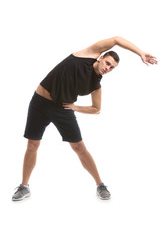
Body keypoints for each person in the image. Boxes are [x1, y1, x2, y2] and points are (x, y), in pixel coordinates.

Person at [12, 36, 157, 201]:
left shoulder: (96, 85)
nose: (108, 68)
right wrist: (141, 53)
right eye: (107, 63)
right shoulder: (88, 54)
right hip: (39, 103)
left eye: (112, 68)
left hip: (63, 109)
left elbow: (97, 109)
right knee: (32, 145)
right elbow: (116, 39)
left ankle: (100, 184)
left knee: (79, 148)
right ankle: (24, 186)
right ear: (101, 58)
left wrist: (76, 108)